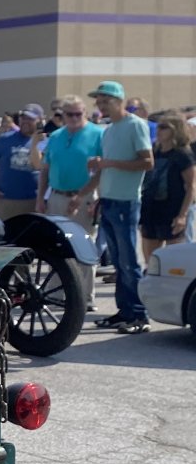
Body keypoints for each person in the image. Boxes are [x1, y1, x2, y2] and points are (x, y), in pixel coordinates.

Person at [83, 80, 154, 333]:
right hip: (110, 200)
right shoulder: (109, 129)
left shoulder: (136, 125)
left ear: (119, 101)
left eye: (105, 100)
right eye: (99, 101)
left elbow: (147, 162)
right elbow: (106, 167)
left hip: (127, 201)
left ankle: (138, 315)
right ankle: (123, 311)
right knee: (118, 263)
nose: (101, 105)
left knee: (129, 262)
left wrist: (109, 163)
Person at [36, 97, 104, 310]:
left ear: (85, 113)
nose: (74, 118)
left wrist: (82, 196)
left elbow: (101, 170)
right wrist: (40, 198)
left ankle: (85, 297)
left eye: (78, 114)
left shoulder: (98, 134)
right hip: (56, 196)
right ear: (62, 115)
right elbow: (45, 169)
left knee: (84, 246)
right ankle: (57, 294)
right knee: (56, 246)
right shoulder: (56, 136)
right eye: (69, 114)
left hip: (84, 197)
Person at [139, 114, 195, 264]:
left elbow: (191, 187)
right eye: (158, 126)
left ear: (176, 130)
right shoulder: (154, 152)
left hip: (172, 211)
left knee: (174, 262)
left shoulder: (183, 155)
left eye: (164, 127)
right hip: (151, 210)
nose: (159, 130)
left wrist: (182, 215)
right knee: (151, 261)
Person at [0, 103, 43, 221]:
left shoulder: (44, 141)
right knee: (7, 235)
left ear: (40, 120)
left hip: (34, 200)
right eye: (23, 118)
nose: (25, 121)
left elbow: (40, 166)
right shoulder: (5, 139)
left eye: (30, 119)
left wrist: (35, 144)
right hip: (7, 200)